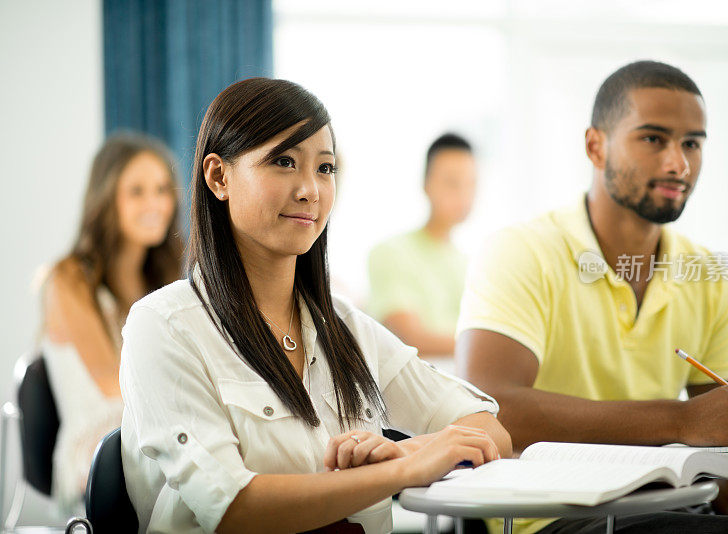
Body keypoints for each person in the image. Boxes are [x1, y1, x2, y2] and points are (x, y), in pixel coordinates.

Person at [119, 78, 511, 534]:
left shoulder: (344, 326)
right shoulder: (163, 326)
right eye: (284, 162)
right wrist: (403, 471)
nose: (311, 190)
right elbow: (230, 509)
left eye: (325, 169)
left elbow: (490, 430)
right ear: (219, 177)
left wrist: (407, 449)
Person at [456, 60, 728, 533]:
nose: (678, 163)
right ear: (595, 146)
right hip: (557, 518)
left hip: (675, 510)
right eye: (654, 139)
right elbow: (491, 406)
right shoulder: (522, 251)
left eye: (692, 143)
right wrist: (680, 420)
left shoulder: (706, 273)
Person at [41, 132, 183, 513]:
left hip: (155, 433)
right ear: (106, 199)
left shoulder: (164, 279)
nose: (154, 203)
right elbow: (111, 380)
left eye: (162, 190)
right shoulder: (66, 280)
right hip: (96, 453)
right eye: (136, 191)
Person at [367, 133, 476, 358]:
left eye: (471, 183)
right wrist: (484, 347)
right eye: (452, 182)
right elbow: (412, 339)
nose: (463, 195)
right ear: (426, 184)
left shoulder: (471, 264)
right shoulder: (390, 252)